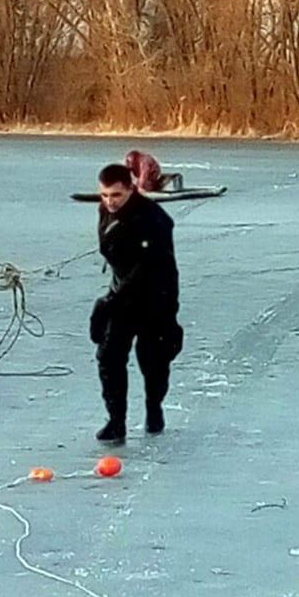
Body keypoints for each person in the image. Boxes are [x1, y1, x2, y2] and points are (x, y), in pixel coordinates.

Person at [89, 163, 183, 443]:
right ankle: (116, 420)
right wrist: (109, 303)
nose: (110, 202)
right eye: (105, 195)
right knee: (109, 356)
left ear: (131, 188)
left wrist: (109, 302)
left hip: (157, 296)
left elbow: (146, 269)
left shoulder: (155, 220)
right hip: (123, 294)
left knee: (153, 360)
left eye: (116, 195)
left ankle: (154, 407)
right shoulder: (106, 210)